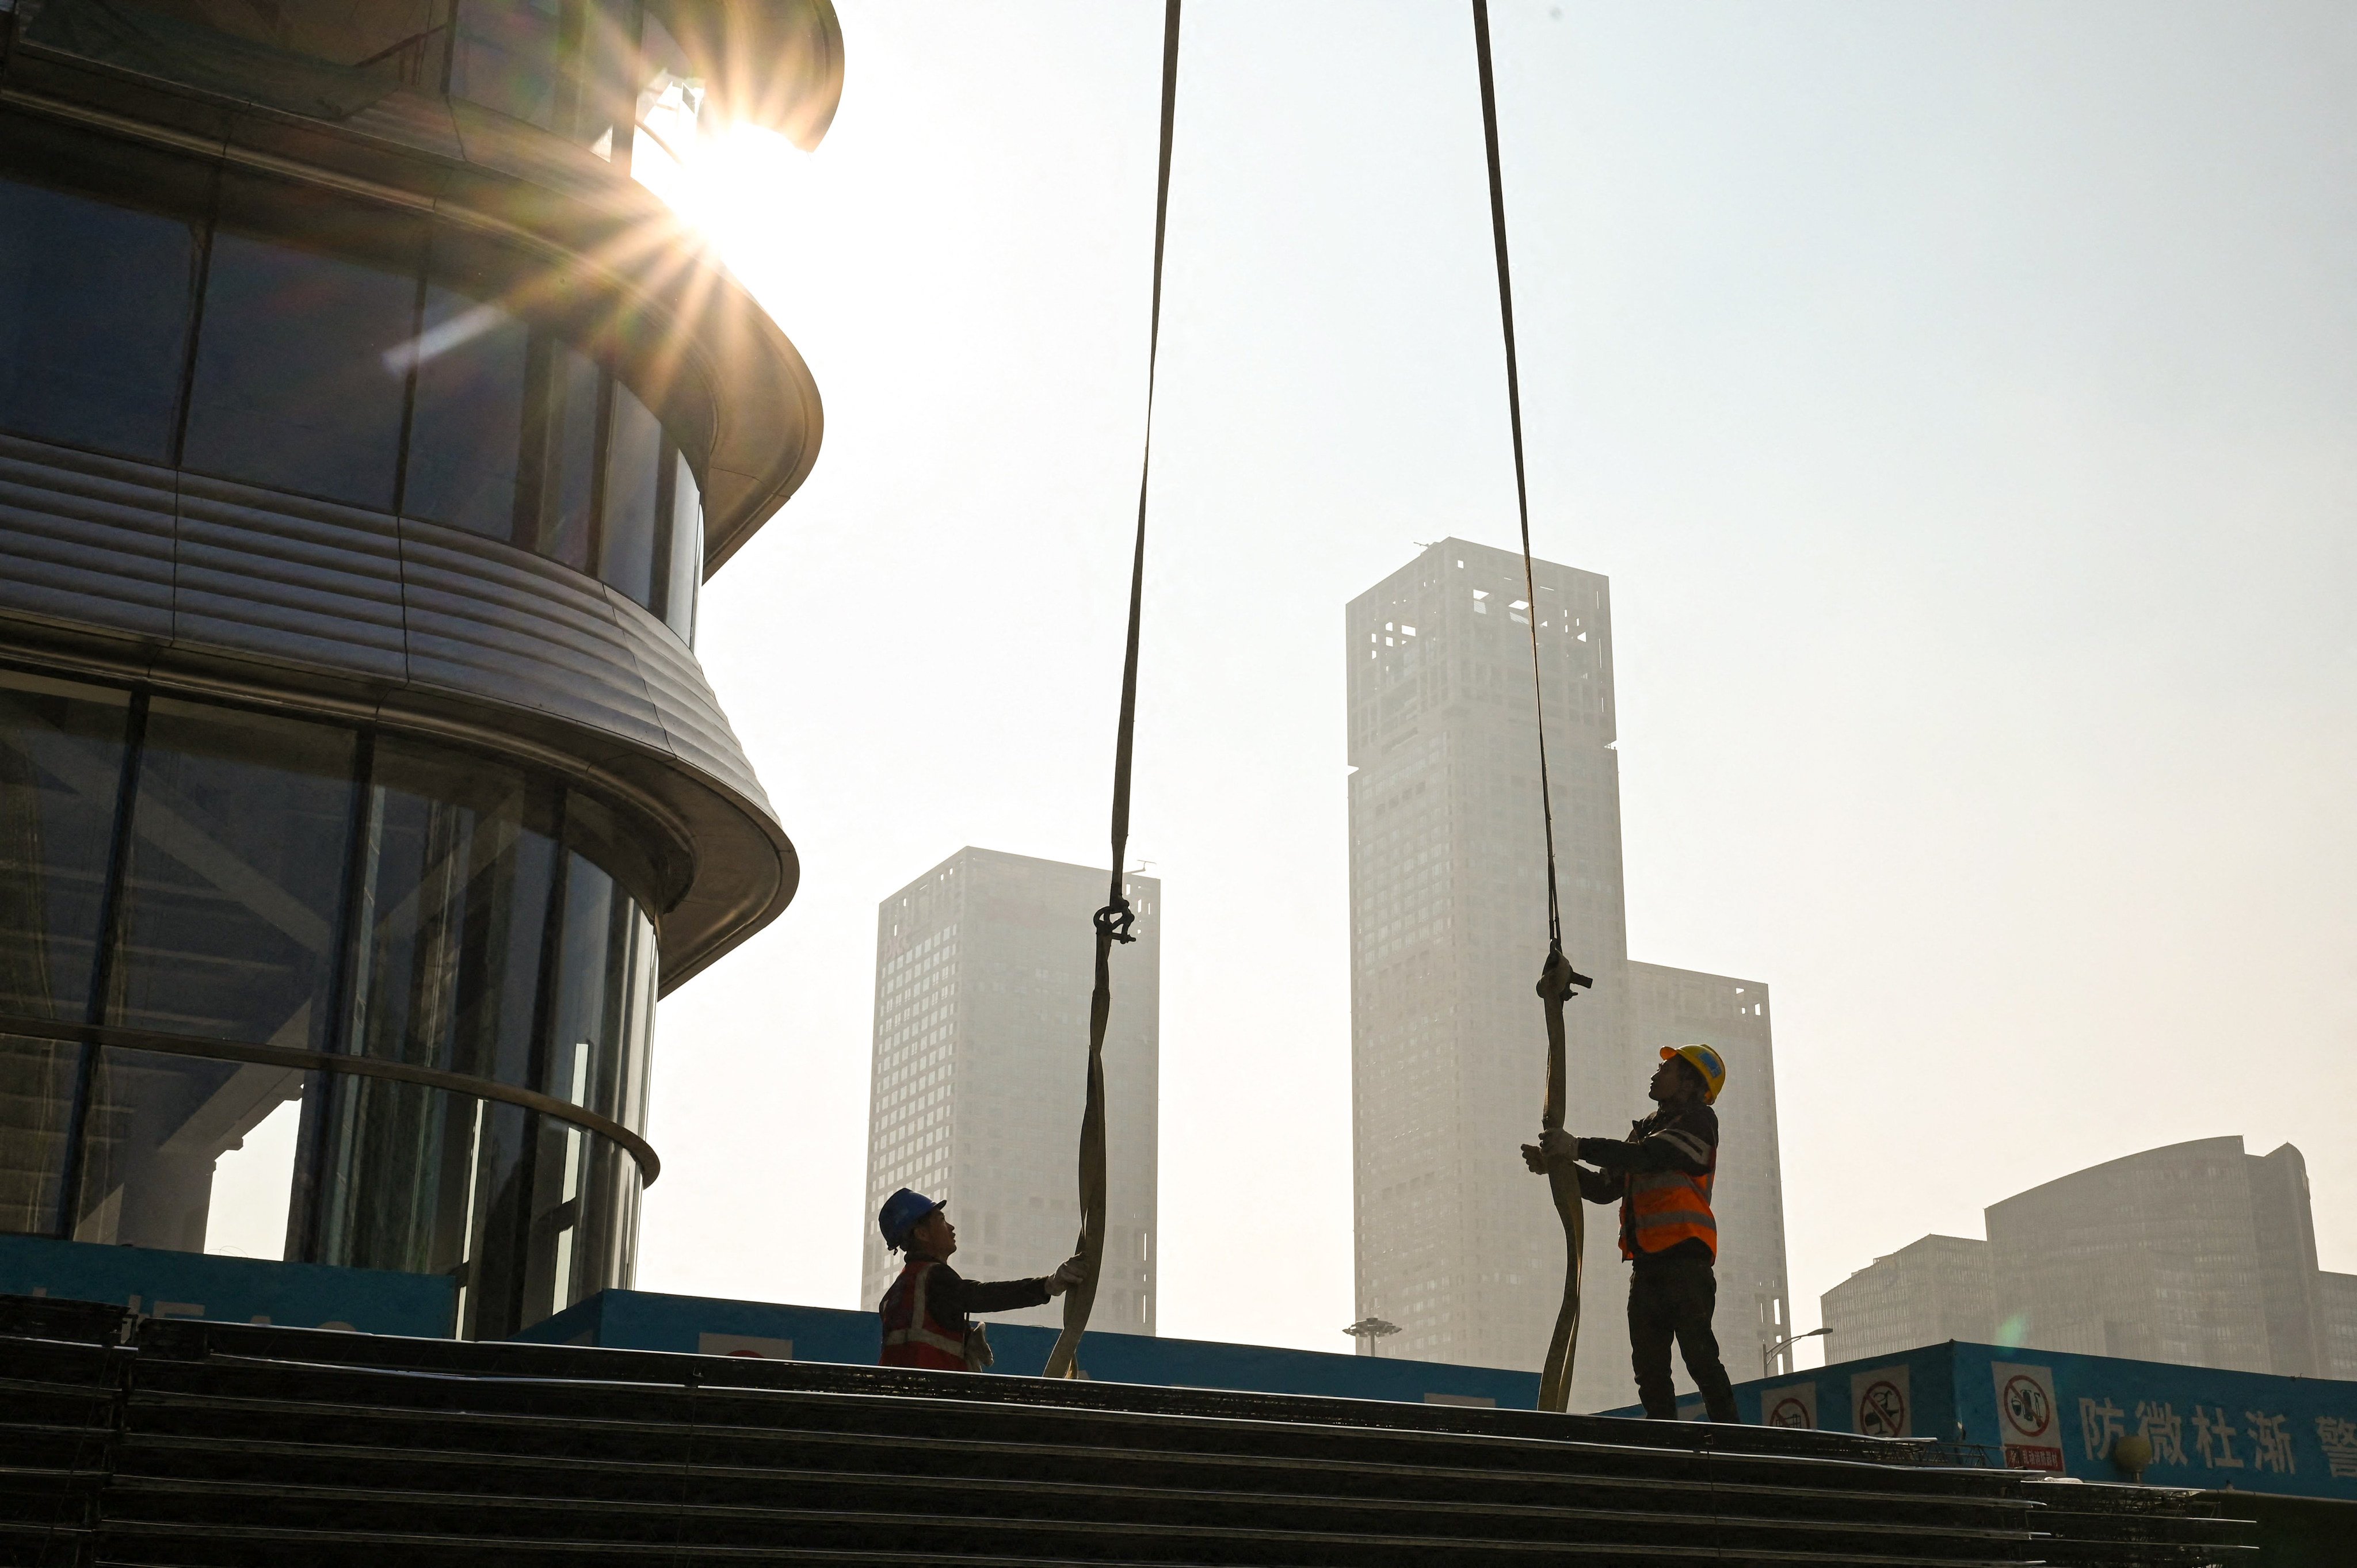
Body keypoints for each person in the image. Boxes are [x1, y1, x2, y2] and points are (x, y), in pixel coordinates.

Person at [1521, 1043, 1739, 1423]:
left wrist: (1576, 1147)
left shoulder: (1699, 1123)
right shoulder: (1645, 1130)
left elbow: (1650, 1156)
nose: (1656, 1073)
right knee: (1650, 1369)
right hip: (1648, 1265)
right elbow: (1607, 1187)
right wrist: (1557, 1167)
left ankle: (1736, 1443)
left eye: (1666, 1068)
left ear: (1690, 1081)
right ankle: (1663, 1445)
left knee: (1699, 1356)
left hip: (1686, 1261)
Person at [874, 1188, 1085, 1372]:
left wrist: (963, 1337)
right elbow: (981, 1295)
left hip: (901, 1401)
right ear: (922, 1234)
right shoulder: (934, 1277)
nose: (951, 1228)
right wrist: (1048, 1285)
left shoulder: (895, 1293)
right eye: (941, 1220)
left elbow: (918, 1339)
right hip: (936, 1401)